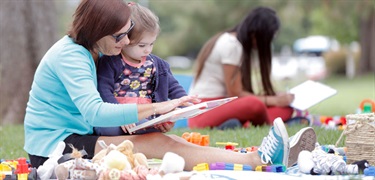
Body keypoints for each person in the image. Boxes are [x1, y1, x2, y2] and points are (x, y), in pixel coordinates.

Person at [23, 0, 310, 170]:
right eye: (121, 36)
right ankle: (256, 159)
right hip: (55, 149)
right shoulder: (71, 56)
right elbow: (95, 112)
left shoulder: (89, 50)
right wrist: (156, 108)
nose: (125, 43)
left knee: (170, 141)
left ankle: (251, 156)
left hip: (75, 137)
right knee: (158, 143)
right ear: (99, 32)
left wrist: (161, 115)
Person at [189, 7, 295, 129]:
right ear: (255, 34)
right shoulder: (232, 45)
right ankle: (260, 124)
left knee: (285, 108)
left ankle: (239, 124)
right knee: (254, 104)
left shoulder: (231, 41)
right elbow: (235, 93)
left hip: (220, 106)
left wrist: (275, 97)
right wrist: (275, 100)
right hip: (204, 111)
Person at [94, 2, 187, 136]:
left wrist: (185, 101)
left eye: (152, 43)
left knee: (155, 126)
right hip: (118, 119)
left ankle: (149, 135)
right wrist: (120, 116)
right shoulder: (110, 62)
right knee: (106, 129)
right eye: (142, 45)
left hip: (146, 117)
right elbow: (103, 91)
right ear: (125, 40)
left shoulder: (157, 64)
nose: (148, 49)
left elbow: (173, 87)